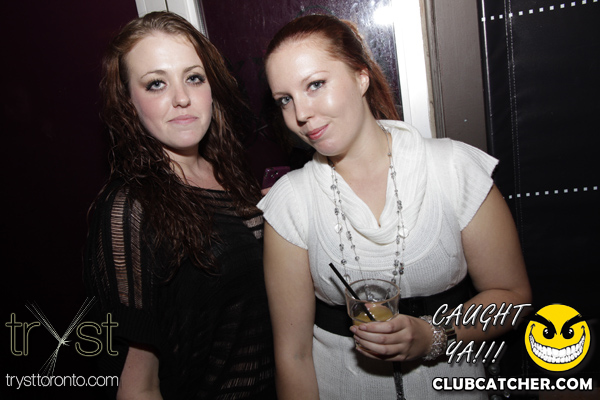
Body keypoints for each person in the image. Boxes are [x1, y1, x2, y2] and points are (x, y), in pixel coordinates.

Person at [258, 14, 532, 399]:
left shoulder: (452, 168)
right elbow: (293, 354)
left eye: (315, 84)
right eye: (285, 100)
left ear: (361, 76)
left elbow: (514, 297)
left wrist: (435, 336)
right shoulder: (291, 200)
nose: (300, 114)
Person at [84, 11, 276, 399]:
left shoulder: (230, 173)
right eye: (156, 84)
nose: (182, 98)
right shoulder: (130, 208)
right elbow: (137, 387)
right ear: (128, 103)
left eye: (193, 77)